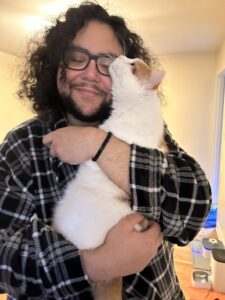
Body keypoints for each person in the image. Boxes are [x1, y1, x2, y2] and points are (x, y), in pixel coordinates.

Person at [0, 2, 211, 299]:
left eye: (107, 62)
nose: (91, 74)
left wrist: (99, 146)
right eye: (76, 58)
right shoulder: (23, 145)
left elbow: (194, 211)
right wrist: (94, 264)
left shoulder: (144, 131)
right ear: (55, 65)